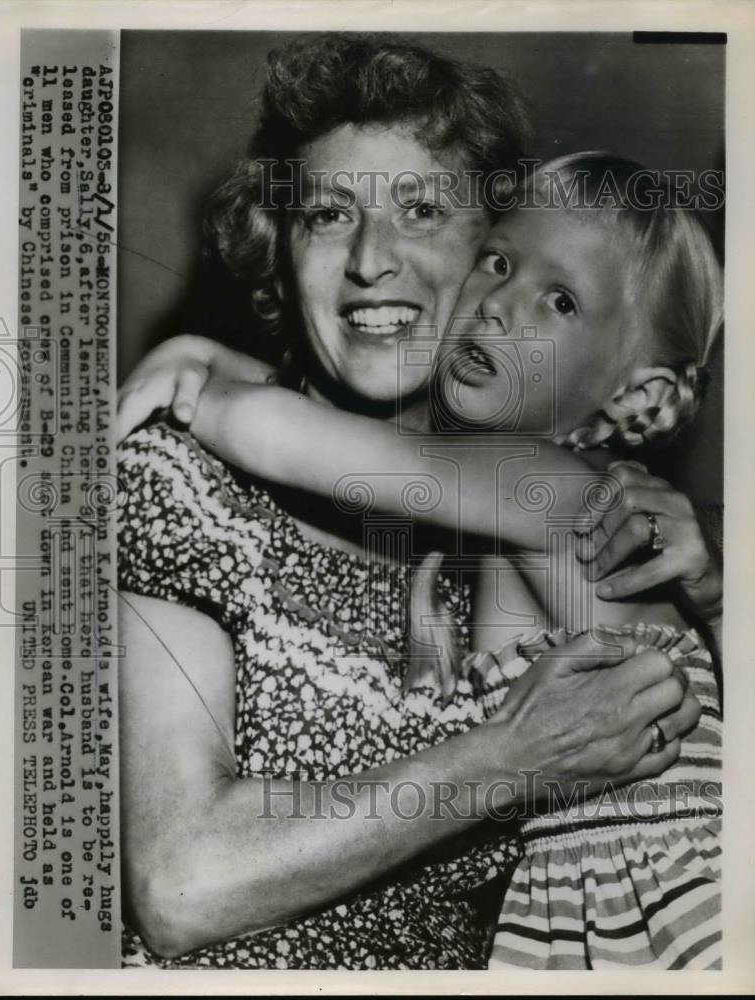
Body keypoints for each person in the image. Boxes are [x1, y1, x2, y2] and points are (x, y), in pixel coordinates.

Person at [116, 36, 705, 970]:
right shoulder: (181, 481)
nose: (368, 262)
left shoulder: (537, 518)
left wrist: (716, 586)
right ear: (281, 252)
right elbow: (182, 890)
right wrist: (507, 758)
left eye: (424, 211)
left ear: (490, 247)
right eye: (326, 216)